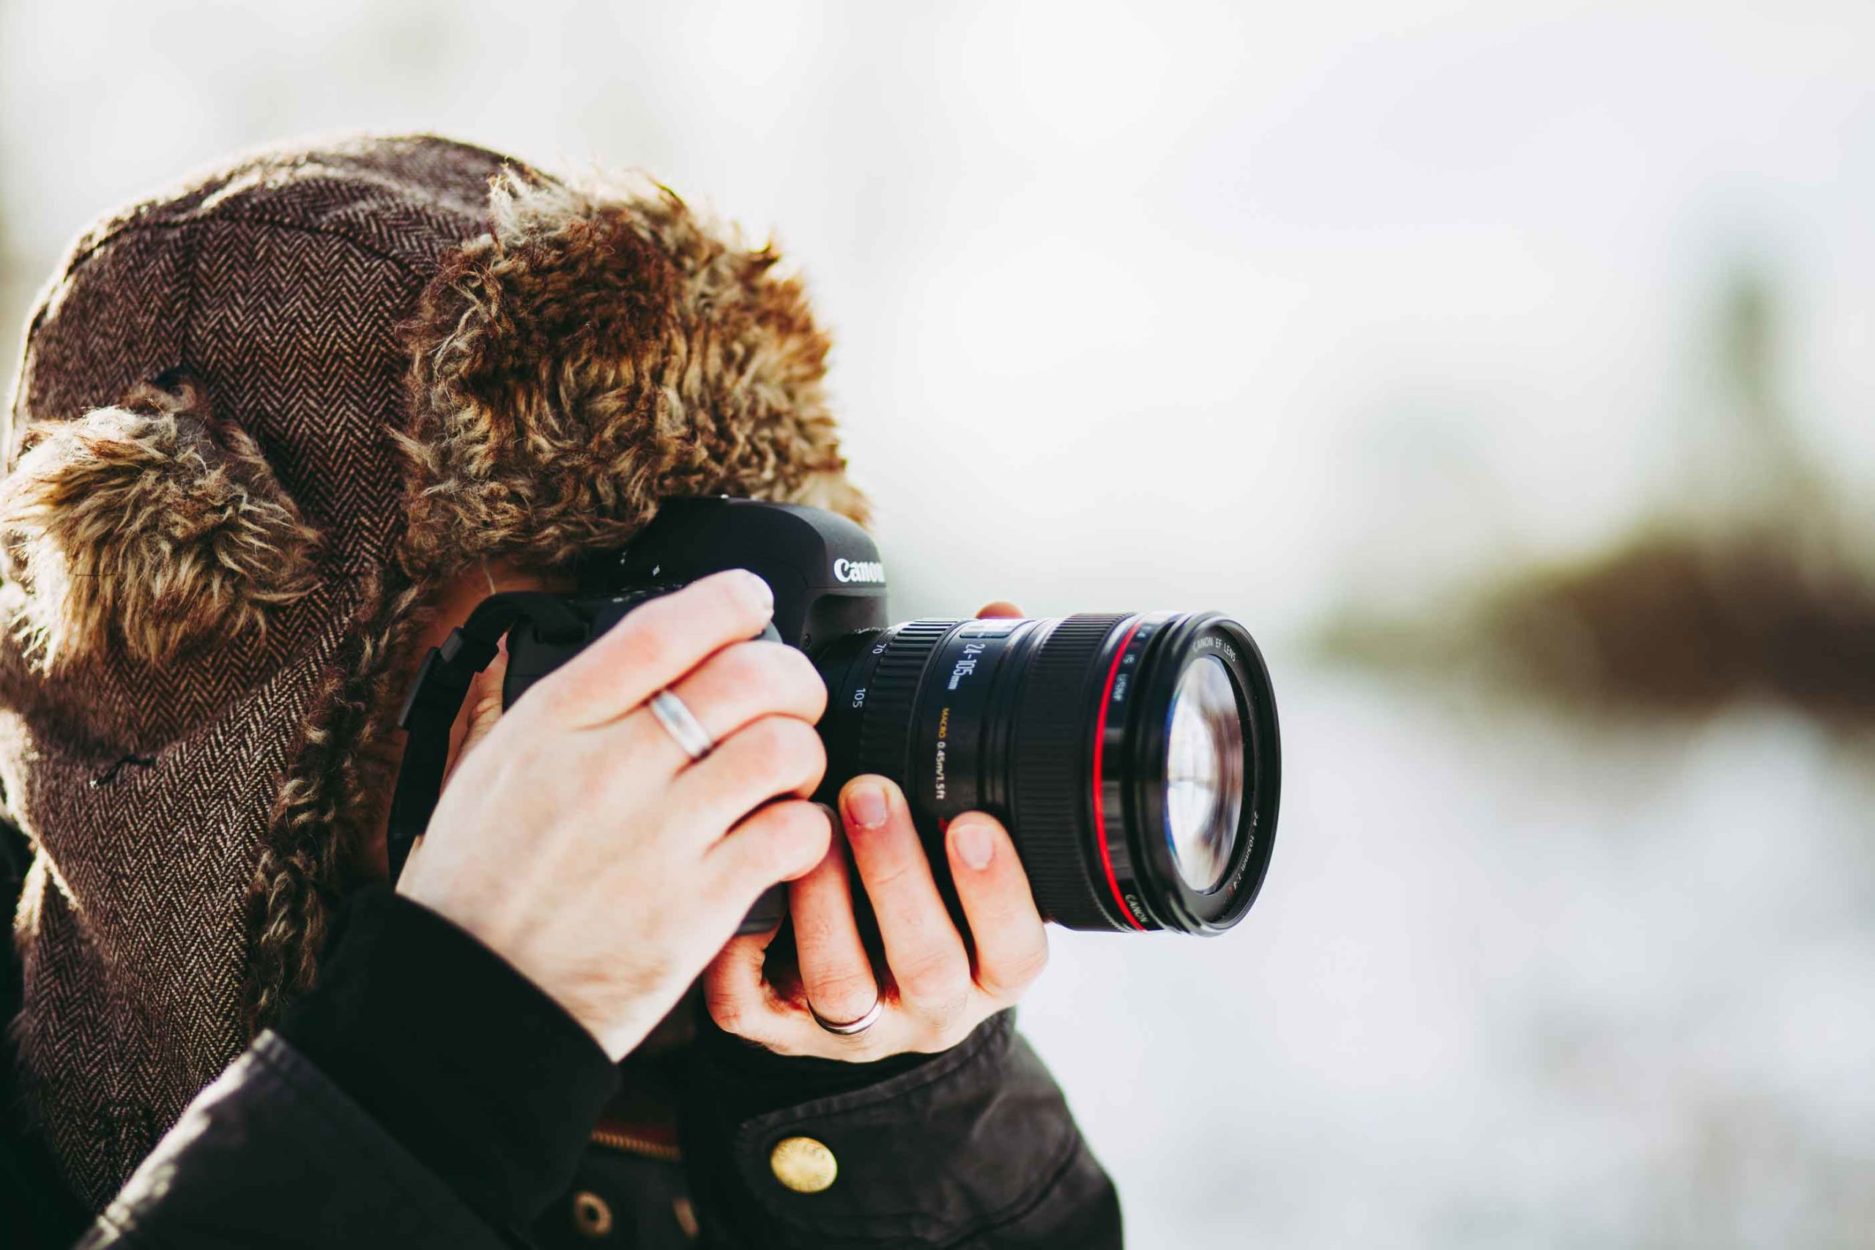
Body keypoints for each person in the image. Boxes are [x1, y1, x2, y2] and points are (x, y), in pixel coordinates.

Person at [0, 133, 1122, 1247]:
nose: (728, 710)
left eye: (760, 629)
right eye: (614, 638)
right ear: (264, 720)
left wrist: (891, 1125)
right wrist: (447, 1046)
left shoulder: (731, 1090)